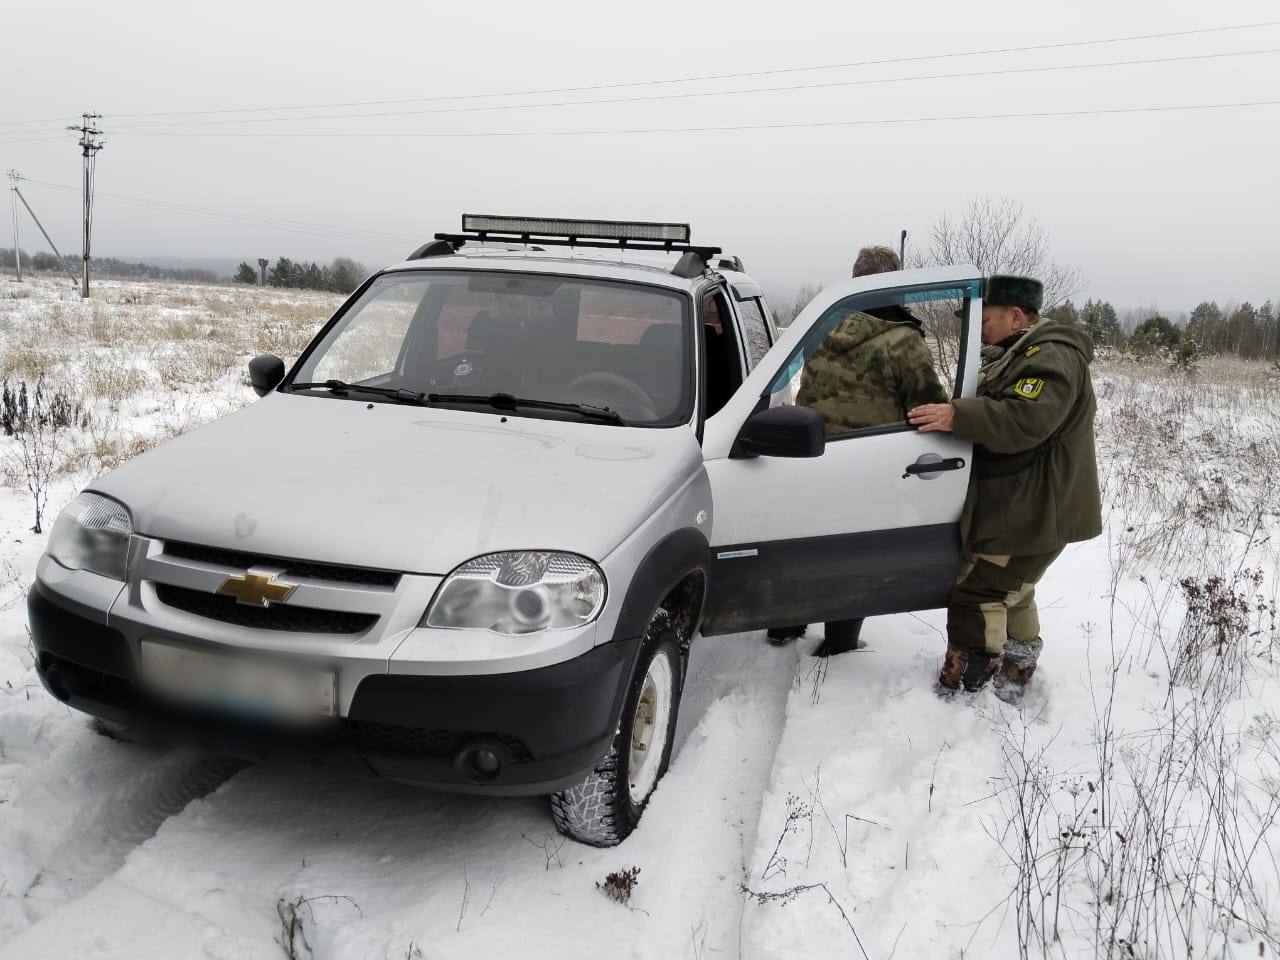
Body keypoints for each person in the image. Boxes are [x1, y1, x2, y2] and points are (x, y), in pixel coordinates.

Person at [907, 275, 1101, 702]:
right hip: (1023, 506)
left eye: (986, 319)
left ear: (1015, 316)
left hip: (1034, 510)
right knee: (1014, 589)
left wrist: (956, 416)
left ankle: (965, 686)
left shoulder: (1052, 357)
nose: (979, 329)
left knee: (980, 592)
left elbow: (1024, 420)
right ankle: (1016, 669)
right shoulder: (1014, 355)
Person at [767, 246, 947, 656]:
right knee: (851, 555)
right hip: (869, 464)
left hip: (809, 454)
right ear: (893, 285)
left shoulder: (820, 326)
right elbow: (927, 407)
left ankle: (783, 625)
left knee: (802, 542)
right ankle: (840, 642)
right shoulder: (903, 342)